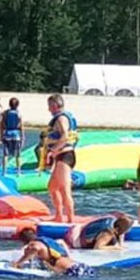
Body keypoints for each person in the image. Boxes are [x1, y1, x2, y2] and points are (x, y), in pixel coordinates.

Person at [46, 94, 78, 223]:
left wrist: (52, 151)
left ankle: (70, 220)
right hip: (61, 156)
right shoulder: (62, 117)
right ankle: (59, 215)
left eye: (49, 106)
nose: (48, 109)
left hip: (65, 156)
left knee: (65, 190)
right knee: (52, 187)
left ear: (54, 105)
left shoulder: (61, 119)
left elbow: (64, 136)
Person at [11, 228, 96, 277]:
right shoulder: (47, 241)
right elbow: (62, 242)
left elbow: (36, 248)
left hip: (72, 271)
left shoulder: (33, 245)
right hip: (79, 266)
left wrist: (18, 263)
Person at [65, 213, 132, 250]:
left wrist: (121, 244)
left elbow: (120, 232)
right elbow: (98, 247)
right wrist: (115, 248)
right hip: (74, 239)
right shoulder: (108, 233)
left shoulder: (113, 220)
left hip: (77, 229)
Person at [1, 97, 24, 176]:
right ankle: (18, 171)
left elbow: (2, 124)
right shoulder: (18, 113)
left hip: (7, 133)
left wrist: (2, 134)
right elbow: (20, 125)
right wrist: (22, 135)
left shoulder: (5, 113)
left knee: (5, 154)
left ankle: (4, 171)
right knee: (18, 153)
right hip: (16, 134)